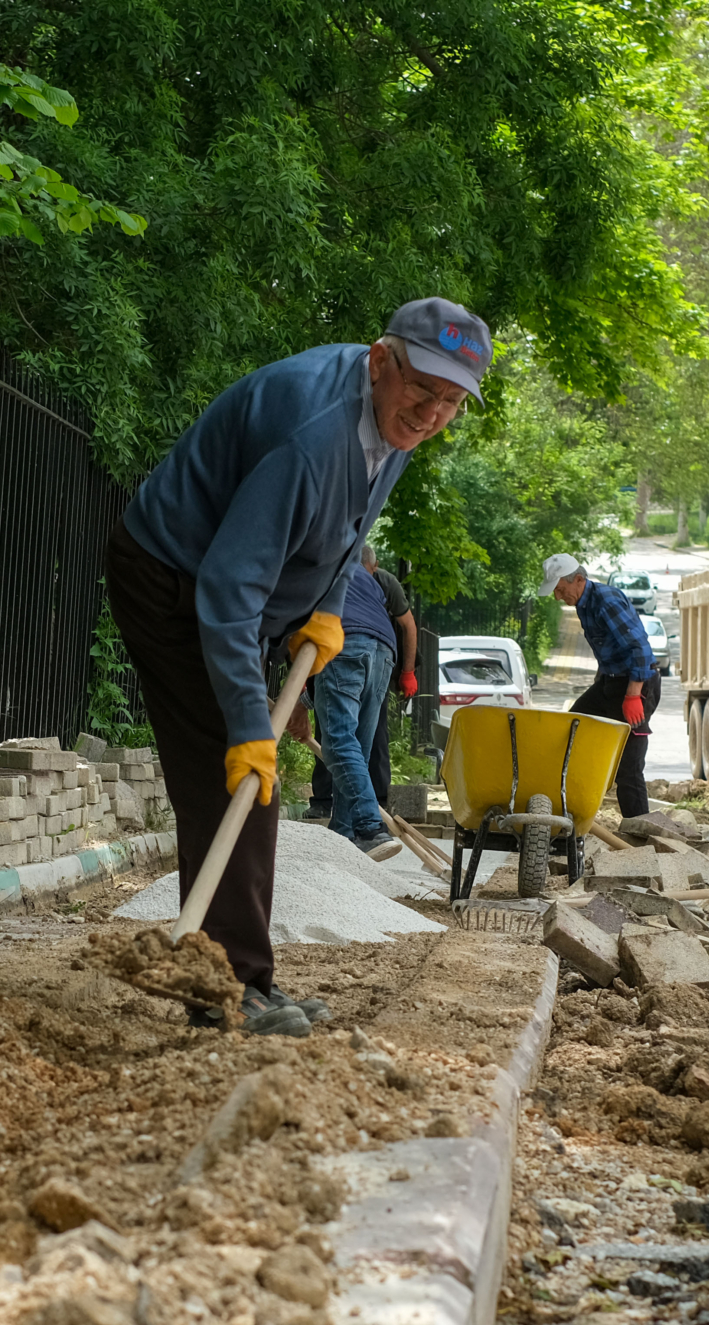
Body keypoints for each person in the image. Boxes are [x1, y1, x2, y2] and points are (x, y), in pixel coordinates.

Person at [106, 299, 490, 1036]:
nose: (433, 412)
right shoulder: (309, 433)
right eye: (423, 390)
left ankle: (243, 980)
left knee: (246, 781)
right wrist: (250, 723)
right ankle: (230, 991)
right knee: (241, 779)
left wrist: (325, 604)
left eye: (452, 401)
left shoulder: (392, 417)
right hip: (172, 576)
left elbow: (351, 525)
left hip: (228, 588)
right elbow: (226, 586)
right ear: (382, 362)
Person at [304, 545, 417, 850]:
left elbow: (293, 631)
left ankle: (369, 827)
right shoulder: (365, 576)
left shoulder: (308, 564)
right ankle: (343, 834)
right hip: (383, 651)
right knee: (358, 750)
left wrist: (300, 698)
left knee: (339, 742)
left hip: (344, 642)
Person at [539, 553, 657, 819]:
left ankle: (640, 831)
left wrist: (633, 695)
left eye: (560, 589)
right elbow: (608, 652)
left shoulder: (607, 601)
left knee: (628, 766)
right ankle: (561, 809)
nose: (558, 597)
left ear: (578, 579)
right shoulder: (583, 603)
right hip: (609, 683)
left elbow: (639, 648)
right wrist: (600, 684)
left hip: (637, 685)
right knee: (571, 730)